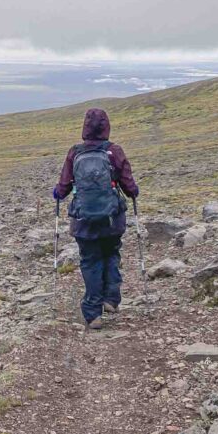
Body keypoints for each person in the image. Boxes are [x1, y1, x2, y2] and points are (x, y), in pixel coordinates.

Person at [52, 108, 139, 329]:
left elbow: (63, 186)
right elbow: (128, 184)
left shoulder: (75, 152)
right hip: (112, 219)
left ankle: (93, 314)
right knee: (111, 254)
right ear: (106, 126)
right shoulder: (114, 151)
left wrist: (58, 194)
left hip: (84, 221)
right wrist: (133, 192)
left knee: (90, 261)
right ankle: (111, 299)